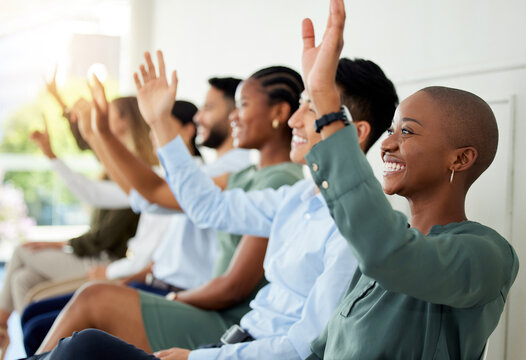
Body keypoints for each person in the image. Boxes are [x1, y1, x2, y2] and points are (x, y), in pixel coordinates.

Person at [29, 49, 398, 360]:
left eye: (310, 107)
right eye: (300, 105)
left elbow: (304, 345)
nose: (295, 120)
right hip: (229, 342)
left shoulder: (358, 227)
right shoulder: (296, 197)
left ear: (356, 131)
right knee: (76, 344)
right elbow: (206, 207)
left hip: (232, 349)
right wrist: (159, 121)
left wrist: (196, 357)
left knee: (84, 345)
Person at [295, 0, 518, 358]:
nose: (386, 144)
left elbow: (390, 253)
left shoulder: (488, 255)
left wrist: (325, 100)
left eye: (408, 132)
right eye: (390, 130)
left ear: (460, 158)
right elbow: (325, 348)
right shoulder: (384, 246)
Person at [36, 62, 305, 355]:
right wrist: (131, 126)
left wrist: (173, 298)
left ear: (278, 112)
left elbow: (233, 287)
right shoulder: (245, 175)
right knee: (84, 307)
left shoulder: (280, 181)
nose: (233, 117)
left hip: (228, 322)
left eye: (243, 105)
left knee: (93, 300)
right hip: (204, 304)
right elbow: (154, 193)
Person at [0, 95, 157, 356]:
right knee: (22, 279)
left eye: (111, 114)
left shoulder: (142, 175)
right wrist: (62, 106)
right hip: (106, 260)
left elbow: (103, 234)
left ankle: (3, 328)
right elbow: (87, 146)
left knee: (22, 254)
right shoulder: (117, 167)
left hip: (108, 261)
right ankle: (35, 353)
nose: (104, 120)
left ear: (129, 120)